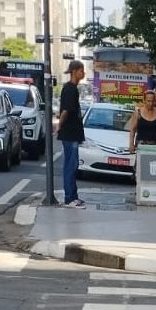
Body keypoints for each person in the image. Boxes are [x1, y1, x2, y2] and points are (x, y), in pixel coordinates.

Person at [56, 60, 86, 209]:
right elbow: (65, 111)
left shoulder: (73, 89)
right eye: (82, 70)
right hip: (70, 133)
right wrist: (59, 126)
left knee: (73, 165)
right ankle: (69, 198)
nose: (84, 73)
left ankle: (73, 196)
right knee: (70, 165)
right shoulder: (70, 89)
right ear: (75, 71)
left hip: (73, 133)